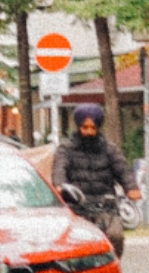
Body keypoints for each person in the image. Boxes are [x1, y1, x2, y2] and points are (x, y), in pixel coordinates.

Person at [52, 103, 142, 256]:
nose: (89, 132)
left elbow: (122, 169)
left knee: (116, 236)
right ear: (78, 126)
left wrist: (131, 187)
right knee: (78, 243)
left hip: (105, 206)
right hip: (78, 207)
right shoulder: (66, 149)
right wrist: (60, 184)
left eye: (93, 128)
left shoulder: (110, 149)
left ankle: (113, 266)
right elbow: (60, 168)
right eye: (85, 127)